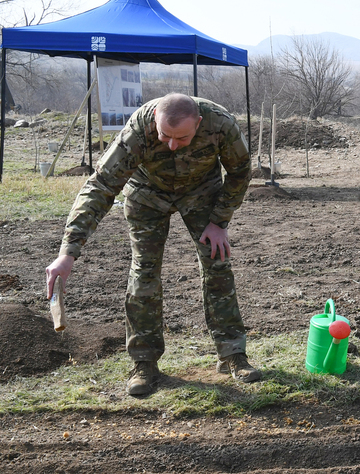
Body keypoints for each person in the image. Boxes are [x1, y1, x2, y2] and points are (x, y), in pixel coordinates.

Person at [44, 93, 261, 396]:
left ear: (198, 124)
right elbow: (101, 185)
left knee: (217, 263)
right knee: (143, 273)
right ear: (155, 118)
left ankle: (233, 354)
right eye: (164, 136)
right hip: (147, 194)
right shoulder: (137, 130)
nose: (171, 144)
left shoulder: (220, 123)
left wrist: (219, 220)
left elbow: (240, 170)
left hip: (201, 191)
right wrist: (68, 253)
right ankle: (143, 363)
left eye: (181, 138)